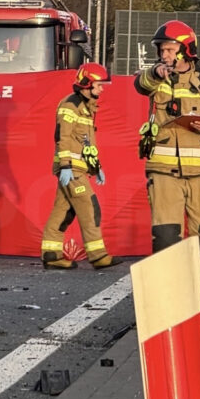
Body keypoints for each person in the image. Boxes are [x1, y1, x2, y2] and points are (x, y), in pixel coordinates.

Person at [134, 20, 200, 259]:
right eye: (161, 50)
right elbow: (141, 83)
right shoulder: (156, 78)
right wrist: (155, 73)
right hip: (163, 172)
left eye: (170, 49)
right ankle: (168, 290)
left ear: (186, 49)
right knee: (166, 236)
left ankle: (194, 275)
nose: (164, 54)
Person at [40, 62, 119, 270]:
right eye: (99, 85)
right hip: (71, 169)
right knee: (90, 207)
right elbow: (62, 137)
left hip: (77, 167)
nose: (102, 89)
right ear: (88, 83)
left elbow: (85, 144)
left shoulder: (86, 108)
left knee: (62, 212)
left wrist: (95, 167)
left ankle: (51, 254)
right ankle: (98, 256)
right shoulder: (71, 106)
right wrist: (66, 165)